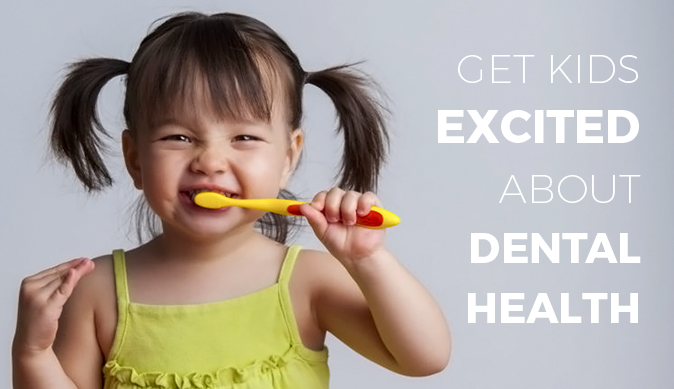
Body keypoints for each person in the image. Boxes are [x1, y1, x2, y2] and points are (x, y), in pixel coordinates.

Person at [12, 11, 450, 389]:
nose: (210, 161)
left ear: (288, 156)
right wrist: (32, 353)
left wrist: (368, 261)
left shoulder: (308, 282)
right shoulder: (96, 291)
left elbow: (425, 358)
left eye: (244, 137)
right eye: (178, 137)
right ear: (135, 159)